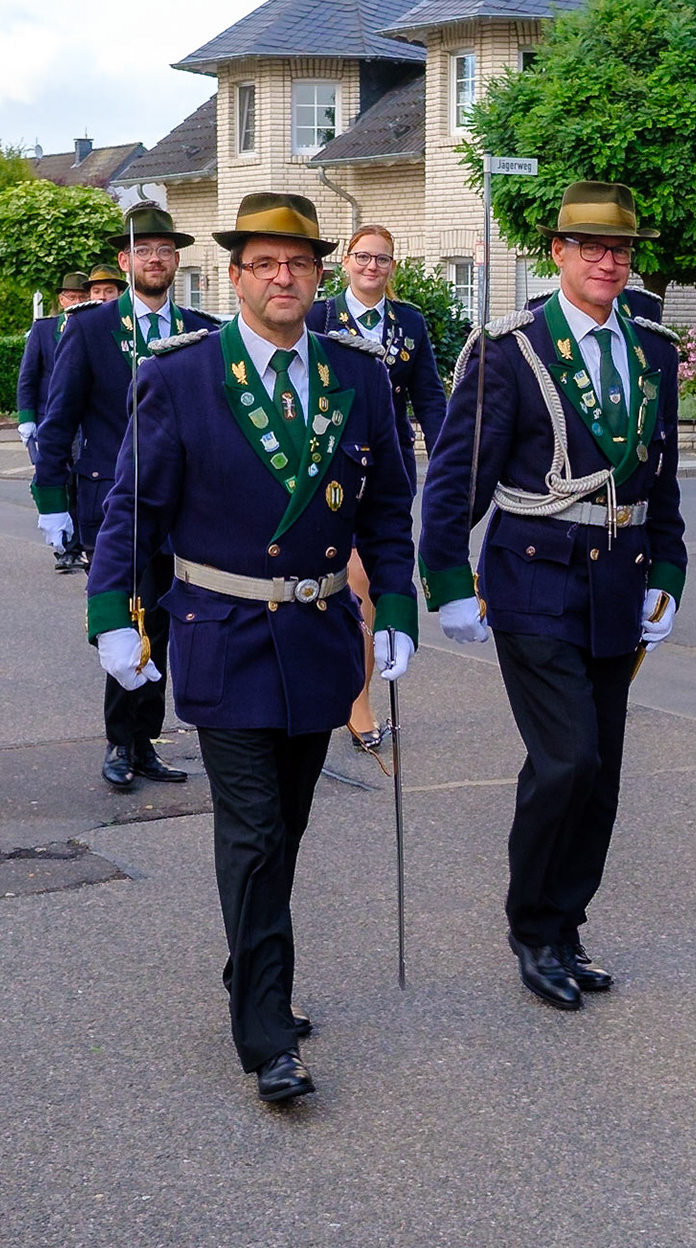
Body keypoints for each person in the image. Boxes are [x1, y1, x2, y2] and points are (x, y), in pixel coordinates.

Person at [89, 192, 416, 1102]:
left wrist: (394, 602)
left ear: (319, 275)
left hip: (313, 637)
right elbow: (135, 506)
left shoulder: (358, 375)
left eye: (300, 263)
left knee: (292, 823)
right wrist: (113, 609)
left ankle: (247, 966)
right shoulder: (181, 374)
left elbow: (389, 503)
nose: (284, 278)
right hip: (222, 633)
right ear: (233, 276)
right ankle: (268, 1033)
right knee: (256, 828)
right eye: (265, 263)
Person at [419, 181, 686, 1011]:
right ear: (558, 254)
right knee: (565, 757)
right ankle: (532, 928)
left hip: (618, 580)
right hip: (533, 575)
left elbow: (663, 479)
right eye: (591, 247)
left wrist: (669, 572)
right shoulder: (509, 350)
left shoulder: (652, 350)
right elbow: (457, 475)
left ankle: (568, 923)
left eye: (621, 249)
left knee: (599, 771)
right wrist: (448, 579)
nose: (609, 262)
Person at [34, 201, 213, 791]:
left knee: (166, 624)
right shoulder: (89, 327)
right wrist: (50, 500)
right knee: (129, 619)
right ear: (124, 259)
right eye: (143, 250)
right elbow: (59, 419)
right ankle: (119, 741)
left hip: (183, 508)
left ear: (177, 258)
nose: (155, 258)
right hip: (115, 504)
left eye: (164, 250)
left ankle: (147, 741)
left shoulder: (203, 330)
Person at [309, 224, 449, 753]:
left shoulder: (408, 322)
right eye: (363, 257)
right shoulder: (320, 316)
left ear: (394, 267)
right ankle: (320, 685)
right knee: (328, 579)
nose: (372, 267)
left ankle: (357, 700)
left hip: (384, 473)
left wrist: (449, 461)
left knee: (364, 580)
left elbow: (429, 398)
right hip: (324, 468)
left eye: (383, 260)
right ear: (346, 262)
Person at [18, 270, 92, 571]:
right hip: (51, 419)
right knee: (54, 479)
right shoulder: (44, 329)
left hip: (85, 420)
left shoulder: (93, 328)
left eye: (82, 297)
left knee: (81, 482)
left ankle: (82, 545)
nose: (76, 301)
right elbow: (28, 377)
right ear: (61, 300)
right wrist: (27, 419)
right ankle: (63, 546)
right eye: (71, 297)